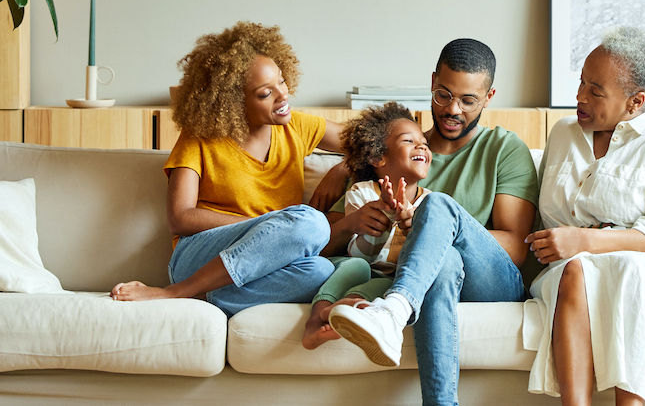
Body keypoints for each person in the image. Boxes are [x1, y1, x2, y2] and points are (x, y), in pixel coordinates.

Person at [321, 38, 539, 406]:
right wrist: (347, 170)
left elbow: (517, 248)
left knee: (436, 207)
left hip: (491, 281)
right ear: (433, 81)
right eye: (443, 94)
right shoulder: (396, 153)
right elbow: (323, 242)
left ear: (488, 97)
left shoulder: (504, 148)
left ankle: (394, 310)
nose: (453, 109)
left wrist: (433, 232)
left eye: (468, 101)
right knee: (443, 263)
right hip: (440, 276)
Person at [525, 26, 645, 406]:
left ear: (635, 102)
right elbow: (542, 221)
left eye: (595, 91)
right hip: (567, 272)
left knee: (622, 272)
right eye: (581, 82)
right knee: (577, 269)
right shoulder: (563, 133)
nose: (579, 96)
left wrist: (587, 240)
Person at [109, 22, 350, 317]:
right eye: (265, 93)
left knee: (321, 271)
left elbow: (375, 143)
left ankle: (206, 295)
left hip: (264, 262)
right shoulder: (200, 136)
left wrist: (344, 166)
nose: (283, 95)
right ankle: (174, 291)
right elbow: (181, 217)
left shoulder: (298, 126)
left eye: (282, 82)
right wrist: (269, 226)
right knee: (311, 224)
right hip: (199, 255)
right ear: (233, 103)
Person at [302, 102, 433, 350]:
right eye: (409, 141)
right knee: (356, 266)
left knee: (388, 284)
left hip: (389, 275)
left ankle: (347, 307)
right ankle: (315, 321)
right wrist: (382, 221)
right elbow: (361, 254)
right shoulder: (361, 194)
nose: (421, 146)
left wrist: (411, 227)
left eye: (424, 143)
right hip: (356, 264)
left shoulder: (430, 205)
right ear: (377, 157)